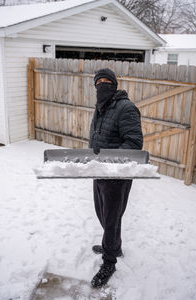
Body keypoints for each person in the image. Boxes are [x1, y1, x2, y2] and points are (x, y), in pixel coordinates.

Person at [89, 68, 143, 288]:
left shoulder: (126, 108)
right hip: (98, 171)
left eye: (106, 81)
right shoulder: (100, 108)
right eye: (98, 82)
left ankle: (109, 261)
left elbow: (134, 143)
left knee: (111, 220)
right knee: (103, 214)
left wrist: (108, 162)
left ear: (114, 84)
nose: (102, 85)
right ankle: (114, 246)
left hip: (117, 176)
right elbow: (96, 137)